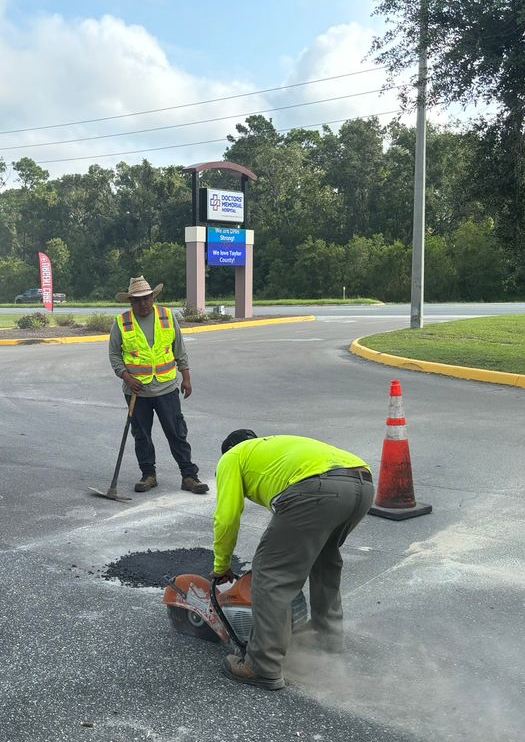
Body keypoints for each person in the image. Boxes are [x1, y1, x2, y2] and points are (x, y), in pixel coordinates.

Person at [211, 431, 373, 690]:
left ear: (229, 449)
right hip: (361, 483)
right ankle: (327, 639)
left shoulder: (232, 457)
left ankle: (262, 665)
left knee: (271, 574)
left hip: (317, 488)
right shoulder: (272, 448)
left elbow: (227, 518)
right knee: (324, 561)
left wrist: (221, 566)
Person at [107, 276, 208, 494]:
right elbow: (114, 355)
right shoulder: (122, 322)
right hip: (136, 392)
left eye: (146, 298)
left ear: (153, 297)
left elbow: (179, 349)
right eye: (137, 300)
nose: (143, 304)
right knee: (141, 435)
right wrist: (126, 376)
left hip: (166, 388)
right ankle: (148, 475)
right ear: (130, 302)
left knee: (176, 433)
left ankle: (189, 476)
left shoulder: (167, 317)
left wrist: (186, 377)